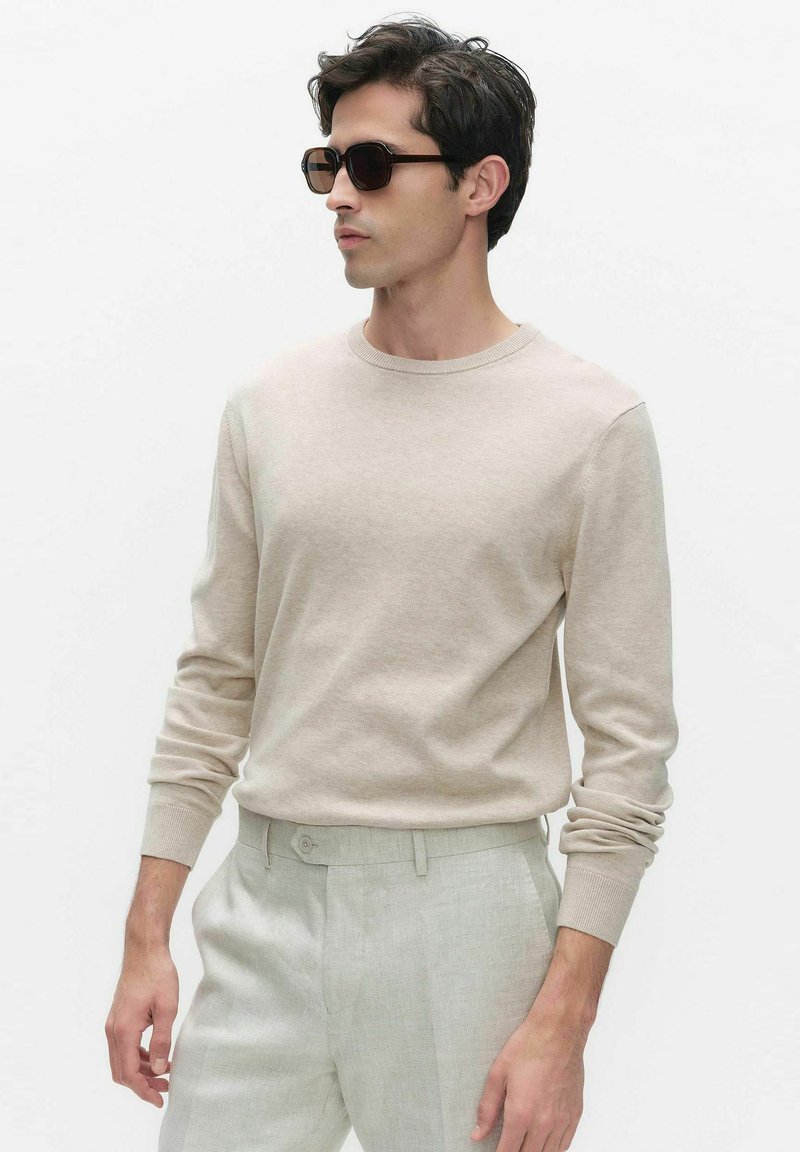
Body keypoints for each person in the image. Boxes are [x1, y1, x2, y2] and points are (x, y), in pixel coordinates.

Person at [105, 16, 679, 1152]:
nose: (338, 194)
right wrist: (145, 937)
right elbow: (215, 681)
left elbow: (629, 749)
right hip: (266, 901)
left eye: (371, 164)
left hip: (467, 922)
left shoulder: (590, 425)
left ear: (480, 184)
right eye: (327, 162)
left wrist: (562, 1023)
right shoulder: (270, 407)